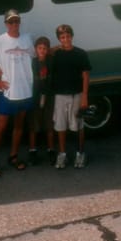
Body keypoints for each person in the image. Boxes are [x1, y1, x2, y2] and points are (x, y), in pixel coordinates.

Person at [0, 9, 34, 178]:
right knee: (1, 126)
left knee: (19, 126)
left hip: (25, 90)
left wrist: (54, 49)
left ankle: (13, 156)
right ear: (6, 24)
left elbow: (36, 55)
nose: (14, 24)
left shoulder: (27, 39)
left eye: (17, 21)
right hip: (7, 91)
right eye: (11, 22)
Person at [50, 23, 91, 169]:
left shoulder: (81, 54)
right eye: (62, 37)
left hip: (77, 94)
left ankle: (81, 153)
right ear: (59, 39)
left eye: (68, 36)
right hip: (60, 95)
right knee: (60, 125)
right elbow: (42, 54)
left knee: (78, 125)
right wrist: (54, 48)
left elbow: (85, 75)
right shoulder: (55, 55)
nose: (66, 39)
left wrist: (85, 96)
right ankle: (62, 154)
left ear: (72, 37)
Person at [27, 36, 56, 165]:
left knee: (49, 124)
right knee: (34, 124)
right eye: (40, 48)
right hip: (35, 96)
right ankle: (33, 150)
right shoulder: (32, 62)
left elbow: (59, 50)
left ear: (48, 50)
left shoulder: (51, 60)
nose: (42, 50)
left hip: (49, 96)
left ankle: (51, 150)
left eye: (45, 48)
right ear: (35, 49)